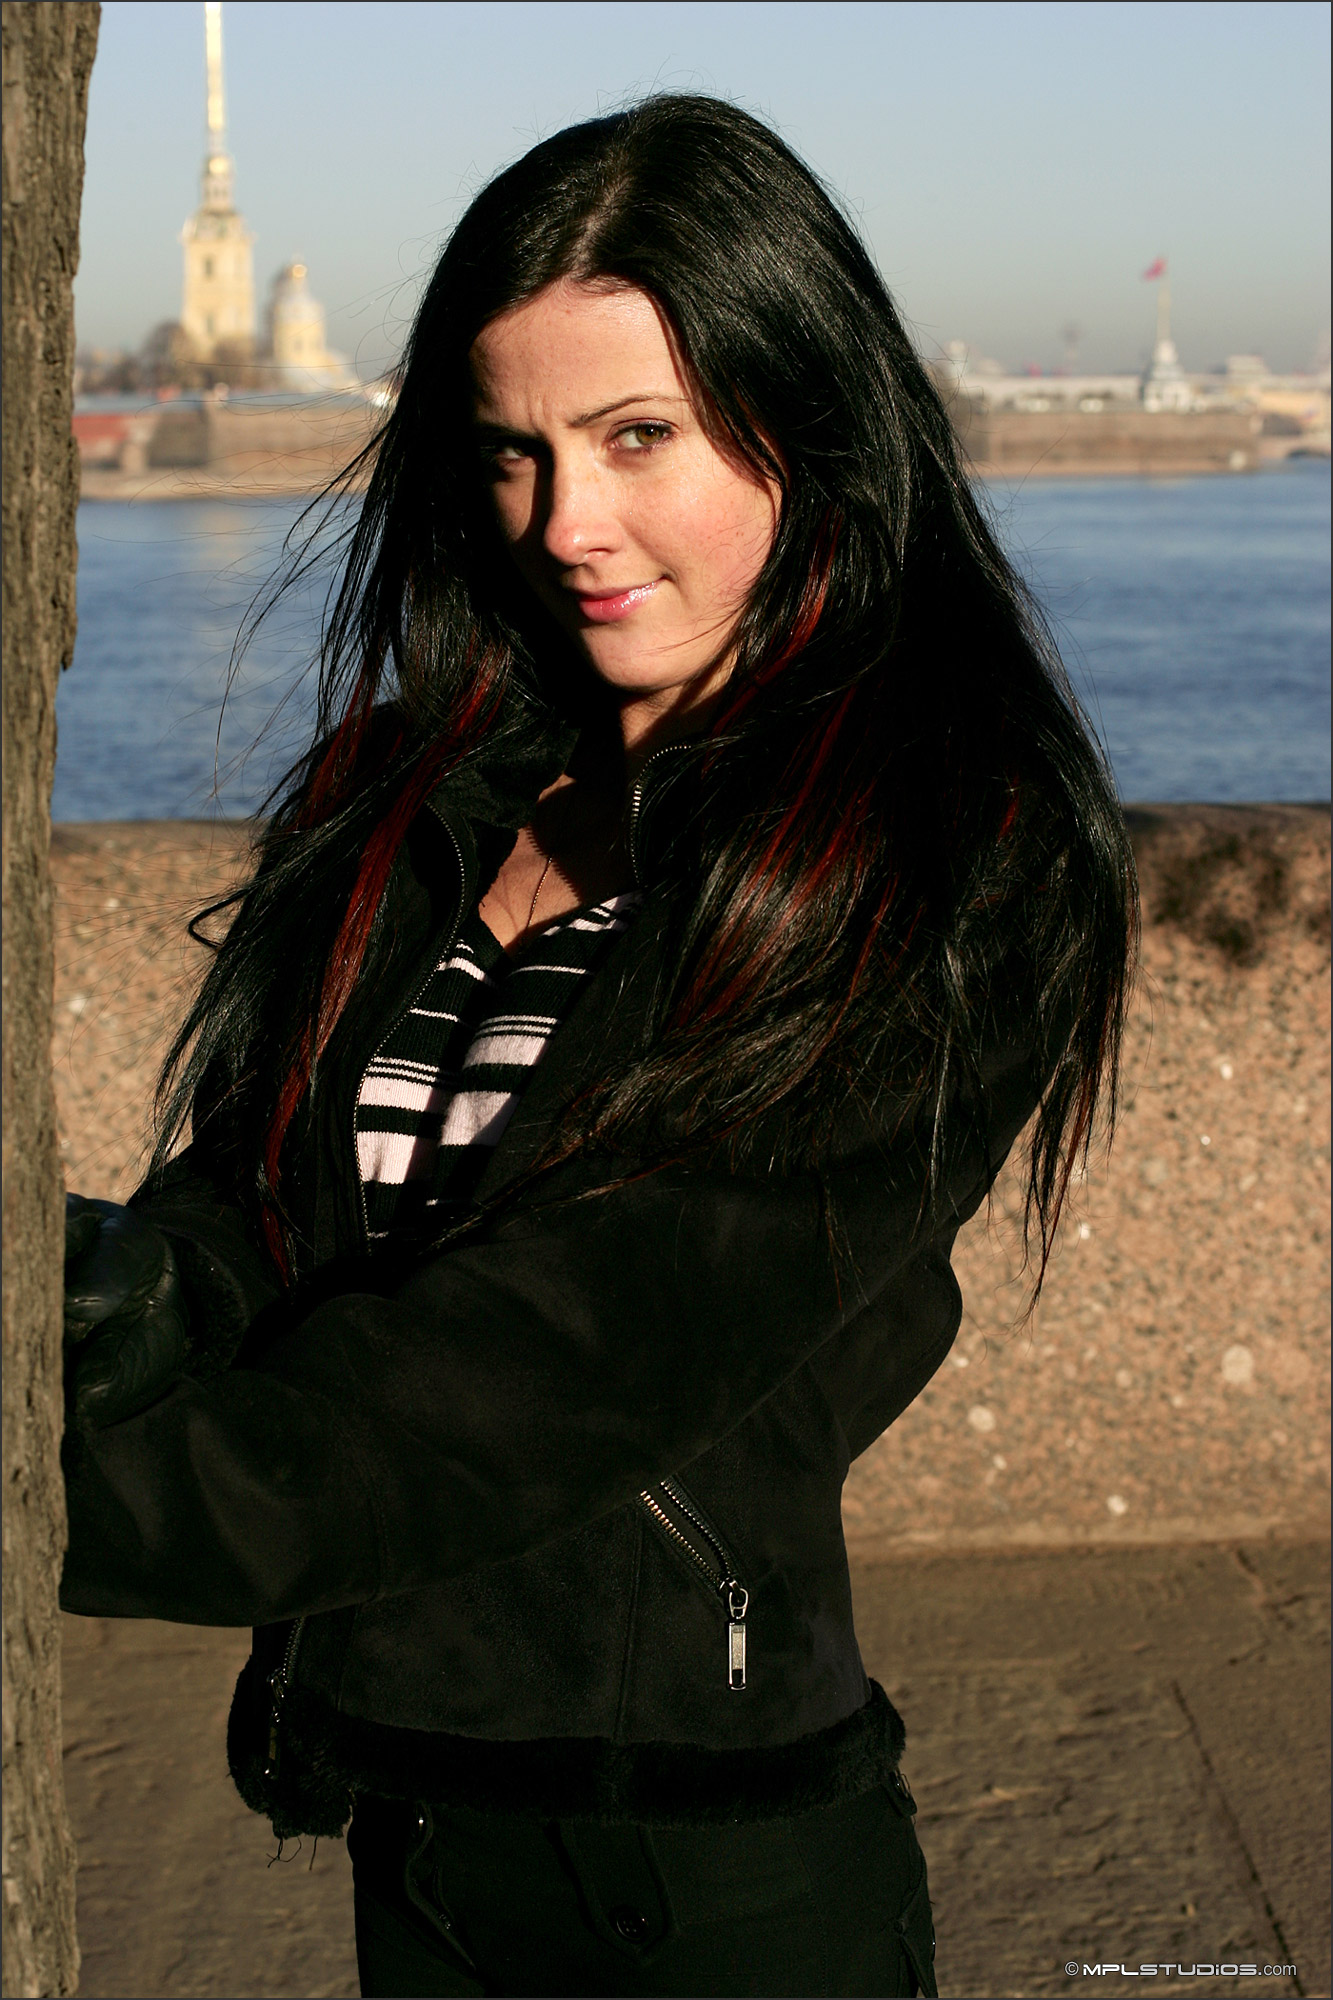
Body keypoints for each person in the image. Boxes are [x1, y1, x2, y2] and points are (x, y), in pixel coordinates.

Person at [60, 95, 1137, 2000]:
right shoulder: (429, 791)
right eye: (514, 451)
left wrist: (60, 1494)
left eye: (639, 437)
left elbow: (547, 1362)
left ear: (807, 422)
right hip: (404, 1808)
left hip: (698, 1871)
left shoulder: (940, 860)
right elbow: (270, 1200)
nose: (564, 525)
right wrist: (121, 1300)